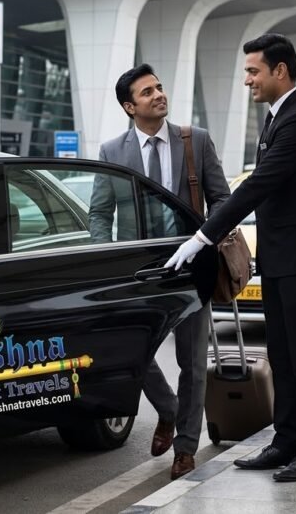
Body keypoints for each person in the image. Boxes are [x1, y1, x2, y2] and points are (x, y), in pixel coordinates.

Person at [165, 33, 296, 483]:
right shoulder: (277, 117)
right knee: (282, 355)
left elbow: (258, 185)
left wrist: (204, 236)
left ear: (279, 71)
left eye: (253, 71)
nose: (247, 80)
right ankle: (286, 440)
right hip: (284, 255)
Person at [91, 63, 229, 480]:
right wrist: (107, 258)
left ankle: (186, 448)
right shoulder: (113, 151)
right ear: (129, 107)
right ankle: (167, 410)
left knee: (192, 363)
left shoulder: (195, 141)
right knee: (135, 352)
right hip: (141, 274)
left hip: (192, 269)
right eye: (147, 92)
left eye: (159, 88)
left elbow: (222, 199)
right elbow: (100, 212)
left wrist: (204, 237)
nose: (158, 95)